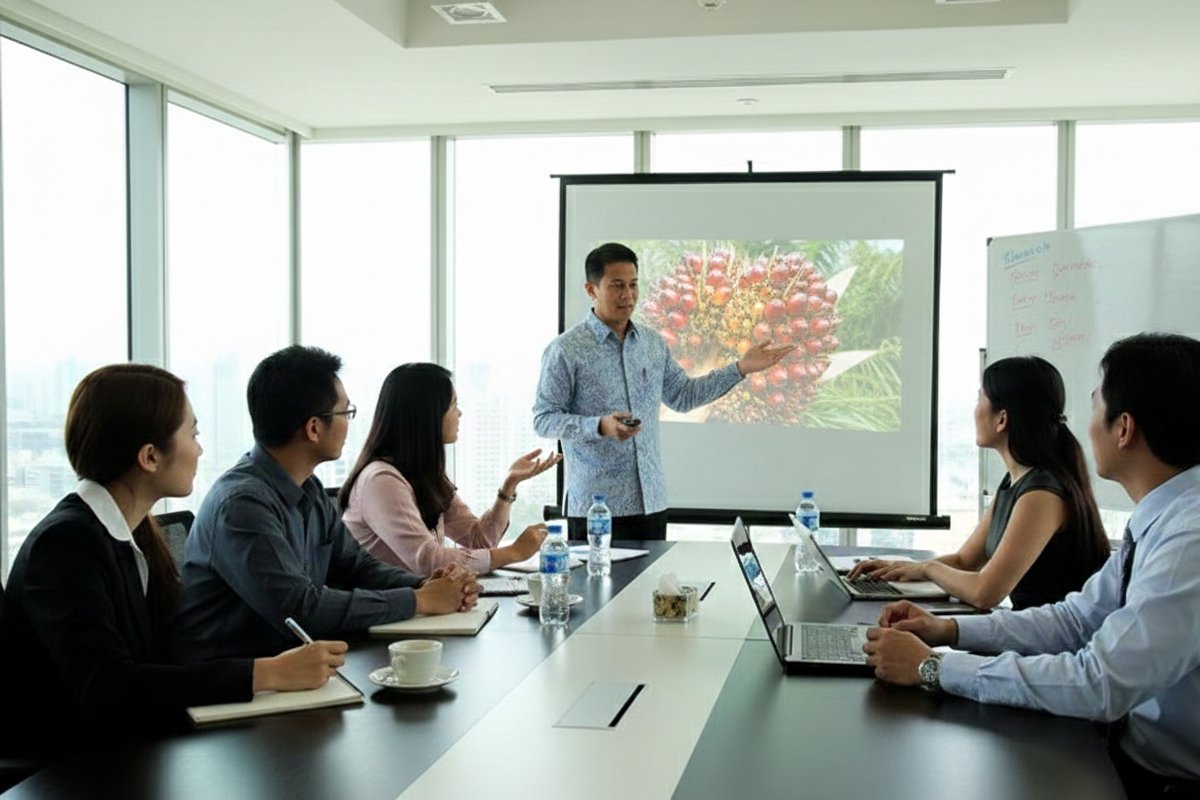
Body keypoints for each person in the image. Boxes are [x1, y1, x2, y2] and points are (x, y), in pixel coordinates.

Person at [864, 333, 1200, 797]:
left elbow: (1099, 683)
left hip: (1165, 781)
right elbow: (1074, 620)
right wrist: (947, 631)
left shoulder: (1188, 541)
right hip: (1126, 753)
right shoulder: (1165, 520)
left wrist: (935, 668)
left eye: (1095, 405)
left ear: (1123, 429)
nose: (1084, 426)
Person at [0, 365, 345, 755]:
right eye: (193, 434)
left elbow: (161, 654)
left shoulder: (134, 532)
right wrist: (269, 672)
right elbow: (108, 686)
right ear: (150, 456)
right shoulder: (64, 545)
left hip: (133, 746)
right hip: (71, 765)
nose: (200, 450)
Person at [176, 346, 478, 663]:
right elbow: (301, 608)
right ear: (314, 428)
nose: (349, 423)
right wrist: (419, 600)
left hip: (298, 664)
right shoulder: (242, 505)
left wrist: (427, 584)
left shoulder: (308, 488)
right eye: (345, 413)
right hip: (240, 678)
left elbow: (356, 567)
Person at [533, 242, 792, 540]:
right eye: (617, 286)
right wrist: (600, 426)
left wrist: (741, 368)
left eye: (633, 285)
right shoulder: (566, 350)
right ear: (591, 289)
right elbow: (544, 419)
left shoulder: (652, 343)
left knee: (653, 574)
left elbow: (683, 396)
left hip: (651, 503)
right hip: (596, 508)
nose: (627, 295)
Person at [849, 356, 1109, 609]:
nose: (974, 410)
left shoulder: (1042, 494)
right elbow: (965, 561)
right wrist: (902, 569)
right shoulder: (1015, 481)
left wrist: (929, 568)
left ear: (1002, 419)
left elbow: (985, 593)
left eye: (979, 399)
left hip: (1052, 637)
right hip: (1030, 630)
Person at [340, 363, 559, 574]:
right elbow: (428, 561)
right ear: (428, 414)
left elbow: (479, 540)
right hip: (391, 598)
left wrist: (509, 485)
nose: (459, 413)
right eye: (454, 405)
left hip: (420, 595)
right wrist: (514, 552)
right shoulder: (381, 481)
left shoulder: (424, 474)